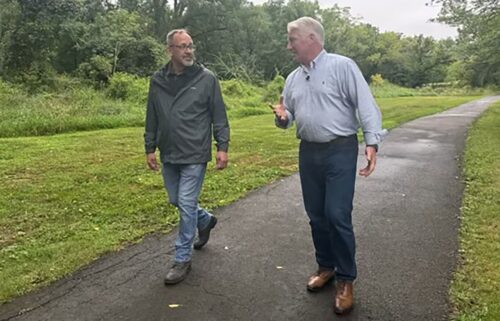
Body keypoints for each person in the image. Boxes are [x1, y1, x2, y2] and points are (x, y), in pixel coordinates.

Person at [271, 17, 386, 314]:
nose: (288, 46)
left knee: (337, 214)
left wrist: (372, 142)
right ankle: (326, 267)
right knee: (316, 215)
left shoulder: (342, 66)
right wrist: (283, 117)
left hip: (339, 149)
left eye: (292, 40)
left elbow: (366, 104)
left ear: (311, 39)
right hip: (308, 152)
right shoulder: (293, 78)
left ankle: (346, 279)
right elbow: (290, 116)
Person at [144, 29, 230, 285]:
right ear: (169, 50)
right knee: (176, 200)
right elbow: (152, 115)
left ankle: (182, 259)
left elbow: (219, 115)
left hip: (195, 152)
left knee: (185, 203)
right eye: (182, 46)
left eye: (190, 45)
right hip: (169, 151)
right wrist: (150, 147)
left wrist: (222, 146)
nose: (188, 50)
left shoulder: (206, 79)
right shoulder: (157, 80)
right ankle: (205, 220)